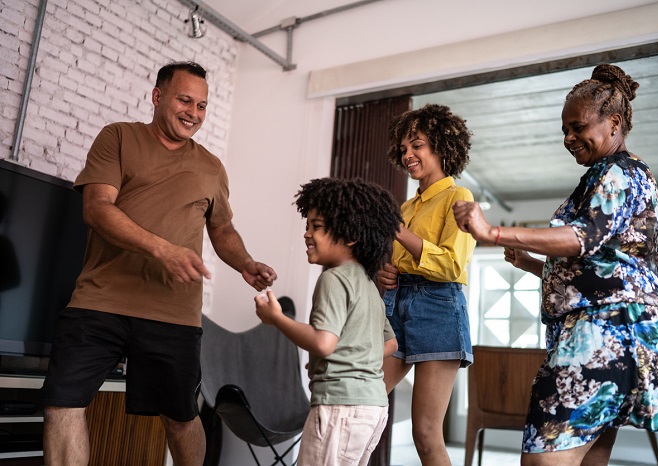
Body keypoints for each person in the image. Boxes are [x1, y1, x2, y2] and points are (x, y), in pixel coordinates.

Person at [41, 61, 277, 466]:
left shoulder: (211, 167)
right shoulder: (118, 137)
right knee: (61, 405)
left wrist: (245, 263)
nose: (193, 112)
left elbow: (221, 230)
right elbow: (97, 208)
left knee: (181, 419)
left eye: (202, 105)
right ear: (157, 96)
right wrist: (162, 249)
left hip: (174, 313)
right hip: (100, 300)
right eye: (185, 100)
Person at [453, 64, 658, 466]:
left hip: (604, 337)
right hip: (618, 334)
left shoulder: (618, 173)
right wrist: (531, 265)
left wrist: (495, 233)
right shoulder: (613, 173)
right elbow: (606, 269)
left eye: (577, 127)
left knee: (544, 459)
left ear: (613, 123)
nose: (569, 138)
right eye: (565, 130)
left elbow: (582, 237)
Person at [254, 177, 402, 466]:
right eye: (307, 225)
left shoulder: (333, 279)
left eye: (317, 227)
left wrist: (276, 318)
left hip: (339, 407)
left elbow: (323, 343)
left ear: (350, 236)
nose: (307, 234)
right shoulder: (368, 284)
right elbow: (390, 343)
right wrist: (343, 356)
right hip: (373, 408)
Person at [378, 103, 476, 465]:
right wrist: (386, 272)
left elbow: (451, 264)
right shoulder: (405, 207)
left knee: (424, 432)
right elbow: (395, 260)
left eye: (417, 145)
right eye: (403, 148)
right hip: (396, 304)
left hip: (438, 307)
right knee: (365, 400)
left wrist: (400, 234)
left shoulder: (458, 198)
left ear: (441, 146)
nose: (408, 154)